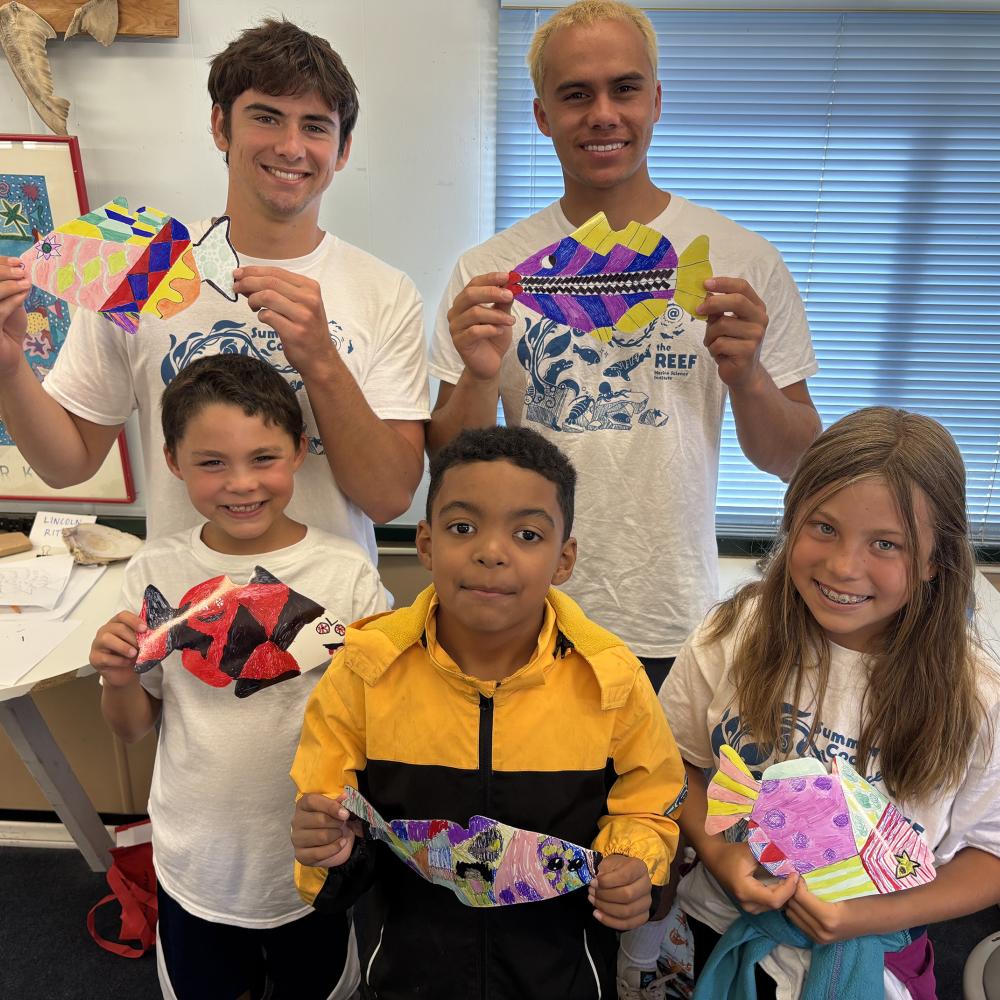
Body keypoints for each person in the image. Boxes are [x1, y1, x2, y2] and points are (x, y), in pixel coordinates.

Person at [426, 0, 821, 689]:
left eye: (625, 88)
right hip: (525, 613)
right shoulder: (488, 271)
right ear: (543, 115)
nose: (603, 113)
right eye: (576, 94)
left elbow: (795, 459)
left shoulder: (744, 262)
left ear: (656, 101)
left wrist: (751, 376)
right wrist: (480, 377)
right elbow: (447, 458)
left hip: (673, 619)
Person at [0, 18, 428, 559]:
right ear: (221, 127)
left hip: (333, 604)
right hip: (182, 598)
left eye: (316, 126)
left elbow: (389, 499)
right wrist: (10, 367)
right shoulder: (143, 265)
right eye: (266, 117)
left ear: (342, 151)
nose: (291, 147)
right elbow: (68, 465)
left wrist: (322, 359)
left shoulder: (384, 291)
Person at [289, 425, 688, 999]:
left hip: (561, 977)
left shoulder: (612, 679)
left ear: (564, 559)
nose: (492, 551)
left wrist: (633, 864)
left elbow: (649, 804)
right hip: (407, 976)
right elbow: (328, 813)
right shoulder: (365, 670)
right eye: (462, 527)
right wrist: (327, 846)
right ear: (426, 543)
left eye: (527, 534)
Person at [658, 407, 1000, 999]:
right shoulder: (731, 635)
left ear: (933, 560)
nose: (843, 566)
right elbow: (674, 761)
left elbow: (990, 856)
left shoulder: (977, 700)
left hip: (874, 956)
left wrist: (864, 916)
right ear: (791, 519)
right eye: (823, 527)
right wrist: (715, 852)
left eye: (885, 544)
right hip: (720, 927)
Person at [89, 354, 387, 1000]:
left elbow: (379, 721)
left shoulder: (347, 574)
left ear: (300, 450)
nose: (241, 483)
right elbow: (132, 728)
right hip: (195, 860)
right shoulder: (153, 570)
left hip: (312, 856)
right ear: (172, 462)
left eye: (263, 457)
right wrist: (118, 677)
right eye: (212, 462)